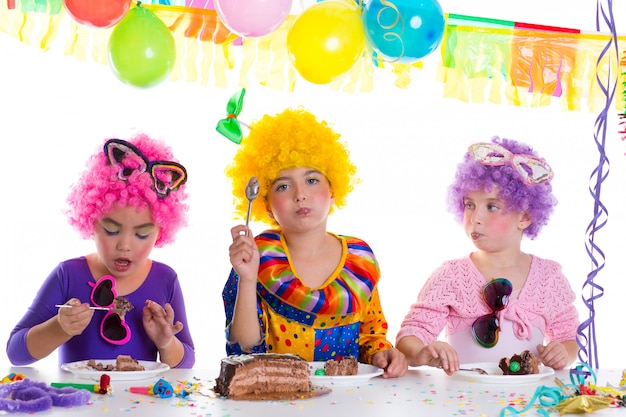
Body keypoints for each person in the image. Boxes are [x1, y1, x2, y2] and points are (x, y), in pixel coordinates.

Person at [223, 107, 407, 378]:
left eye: (311, 180)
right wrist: (248, 279)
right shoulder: (254, 257)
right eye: (283, 186)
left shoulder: (360, 260)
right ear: (267, 205)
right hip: (275, 399)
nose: (300, 195)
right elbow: (243, 351)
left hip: (345, 401)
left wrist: (384, 354)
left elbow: (371, 336)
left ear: (333, 191)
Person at [6, 134, 195, 368]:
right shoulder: (68, 275)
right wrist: (59, 327)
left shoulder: (165, 279)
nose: (125, 245)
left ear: (161, 230)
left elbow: (187, 363)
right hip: (79, 403)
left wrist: (166, 343)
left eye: (142, 234)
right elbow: (15, 352)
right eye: (111, 230)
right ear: (91, 221)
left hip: (143, 403)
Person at [396, 136, 579, 375]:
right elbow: (411, 333)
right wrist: (421, 353)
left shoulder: (549, 278)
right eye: (470, 205)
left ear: (524, 216)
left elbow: (571, 337)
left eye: (491, 207)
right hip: (465, 401)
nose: (475, 217)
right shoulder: (451, 275)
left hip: (526, 404)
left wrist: (563, 352)